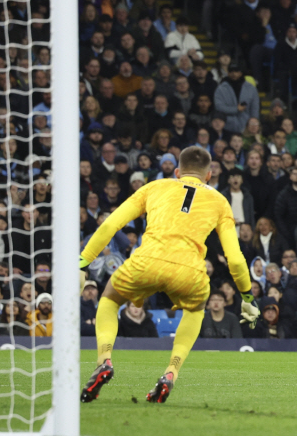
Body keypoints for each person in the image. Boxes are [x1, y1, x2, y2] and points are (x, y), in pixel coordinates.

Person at [79, 147, 258, 404]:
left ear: (176, 172)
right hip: (189, 272)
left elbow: (110, 224)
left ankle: (104, 360)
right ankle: (170, 373)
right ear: (208, 175)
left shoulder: (154, 187)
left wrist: (84, 260)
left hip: (147, 261)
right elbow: (236, 258)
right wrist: (247, 296)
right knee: (195, 310)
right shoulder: (220, 200)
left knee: (109, 298)